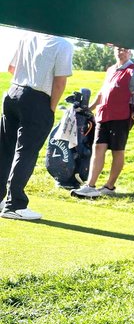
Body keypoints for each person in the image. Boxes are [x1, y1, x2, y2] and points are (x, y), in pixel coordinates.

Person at [0, 31, 73, 221]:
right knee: (26, 152)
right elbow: (60, 82)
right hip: (37, 100)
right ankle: (14, 205)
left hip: (13, 93)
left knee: (6, 149)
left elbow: (11, 67)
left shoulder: (27, 36)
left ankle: (3, 199)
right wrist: (51, 107)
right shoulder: (63, 44)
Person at [71, 46, 134, 197]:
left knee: (117, 150)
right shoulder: (111, 70)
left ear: (130, 53)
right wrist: (90, 108)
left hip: (121, 116)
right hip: (103, 115)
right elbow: (103, 92)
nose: (121, 52)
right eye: (118, 49)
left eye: (125, 50)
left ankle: (109, 186)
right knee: (98, 148)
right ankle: (90, 185)